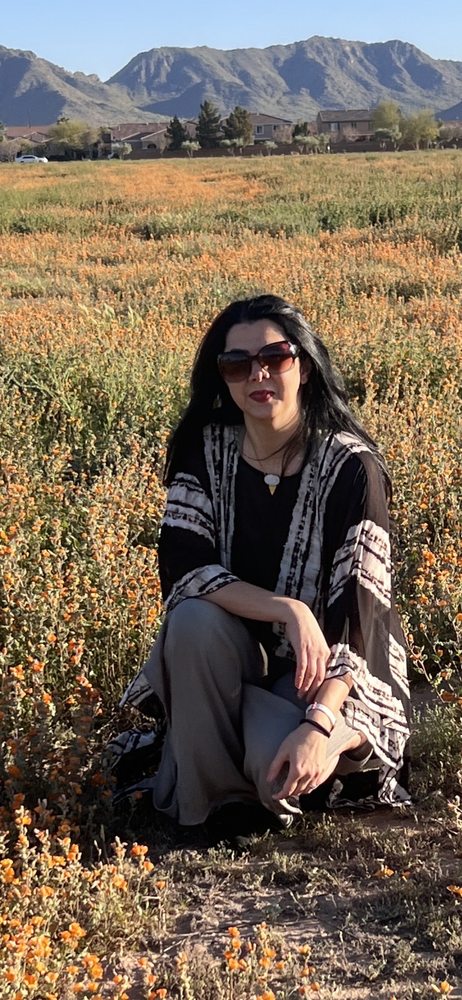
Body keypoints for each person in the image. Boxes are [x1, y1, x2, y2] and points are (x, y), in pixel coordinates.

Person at [119, 294, 410, 834]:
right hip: (231, 663)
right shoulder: (204, 451)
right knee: (191, 619)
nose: (258, 374)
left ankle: (328, 735)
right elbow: (185, 571)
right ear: (223, 377)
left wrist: (319, 723)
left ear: (305, 365)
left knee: (279, 767)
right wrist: (288, 610)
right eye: (237, 364)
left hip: (326, 673)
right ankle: (213, 804)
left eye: (275, 357)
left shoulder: (351, 467)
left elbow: (360, 612)